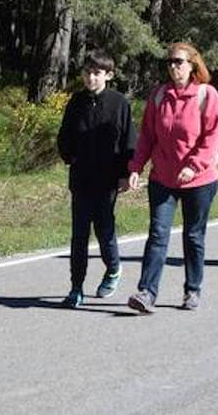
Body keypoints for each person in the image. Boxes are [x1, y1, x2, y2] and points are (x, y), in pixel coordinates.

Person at [127, 43, 218, 314]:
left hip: (200, 180)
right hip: (163, 178)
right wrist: (135, 167)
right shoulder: (159, 95)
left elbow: (212, 137)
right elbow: (147, 135)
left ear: (193, 64)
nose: (173, 67)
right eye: (170, 62)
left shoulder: (207, 95)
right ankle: (147, 292)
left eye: (179, 62)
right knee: (158, 234)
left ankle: (192, 290)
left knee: (193, 235)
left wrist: (194, 165)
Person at [56, 50, 134, 308]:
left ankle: (113, 268)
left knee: (104, 230)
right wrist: (71, 157)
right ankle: (75, 287)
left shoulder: (119, 103)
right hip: (81, 177)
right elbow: (64, 136)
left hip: (108, 178)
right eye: (87, 72)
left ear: (108, 75)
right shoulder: (76, 102)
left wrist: (126, 172)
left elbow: (128, 141)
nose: (91, 78)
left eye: (96, 73)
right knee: (79, 235)